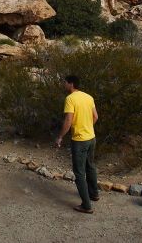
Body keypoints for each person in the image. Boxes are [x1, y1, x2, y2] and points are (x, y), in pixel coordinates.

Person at [55, 74, 99, 213]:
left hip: (80, 141)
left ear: (71, 84)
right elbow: (95, 117)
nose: (64, 84)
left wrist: (60, 137)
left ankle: (86, 206)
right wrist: (87, 126)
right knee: (90, 167)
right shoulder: (88, 97)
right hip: (91, 138)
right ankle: (94, 194)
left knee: (79, 172)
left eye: (65, 82)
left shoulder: (70, 99)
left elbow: (68, 121)